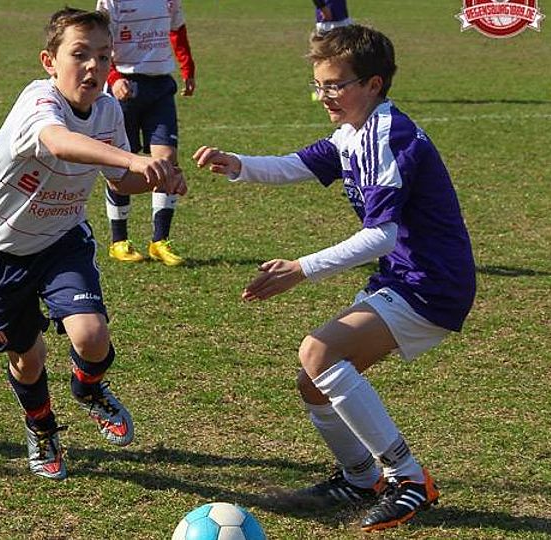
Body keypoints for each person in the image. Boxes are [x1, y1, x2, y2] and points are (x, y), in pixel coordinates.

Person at [193, 24, 475, 531]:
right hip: (403, 276)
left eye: (335, 85)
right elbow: (297, 164)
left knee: (318, 352)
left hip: (431, 283)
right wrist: (238, 164)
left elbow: (381, 236)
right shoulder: (354, 132)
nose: (324, 96)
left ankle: (409, 480)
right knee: (314, 382)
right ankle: (361, 478)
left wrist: (301, 268)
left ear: (373, 83)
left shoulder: (390, 136)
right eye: (319, 85)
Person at [0, 7, 185, 480]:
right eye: (80, 54)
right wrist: (135, 158)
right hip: (0, 251)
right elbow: (59, 142)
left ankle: (88, 388)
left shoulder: (107, 111)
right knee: (28, 360)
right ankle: (41, 425)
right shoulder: (38, 101)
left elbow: (119, 181)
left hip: (62, 240)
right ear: (50, 61)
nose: (93, 66)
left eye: (104, 56)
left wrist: (158, 177)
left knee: (91, 336)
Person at [96, 0, 196, 266]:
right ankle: (119, 241)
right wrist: (113, 78)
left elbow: (177, 30)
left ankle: (160, 241)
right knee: (121, 164)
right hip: (125, 87)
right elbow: (99, 41)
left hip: (160, 87)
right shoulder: (112, 2)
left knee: (167, 161)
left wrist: (188, 68)